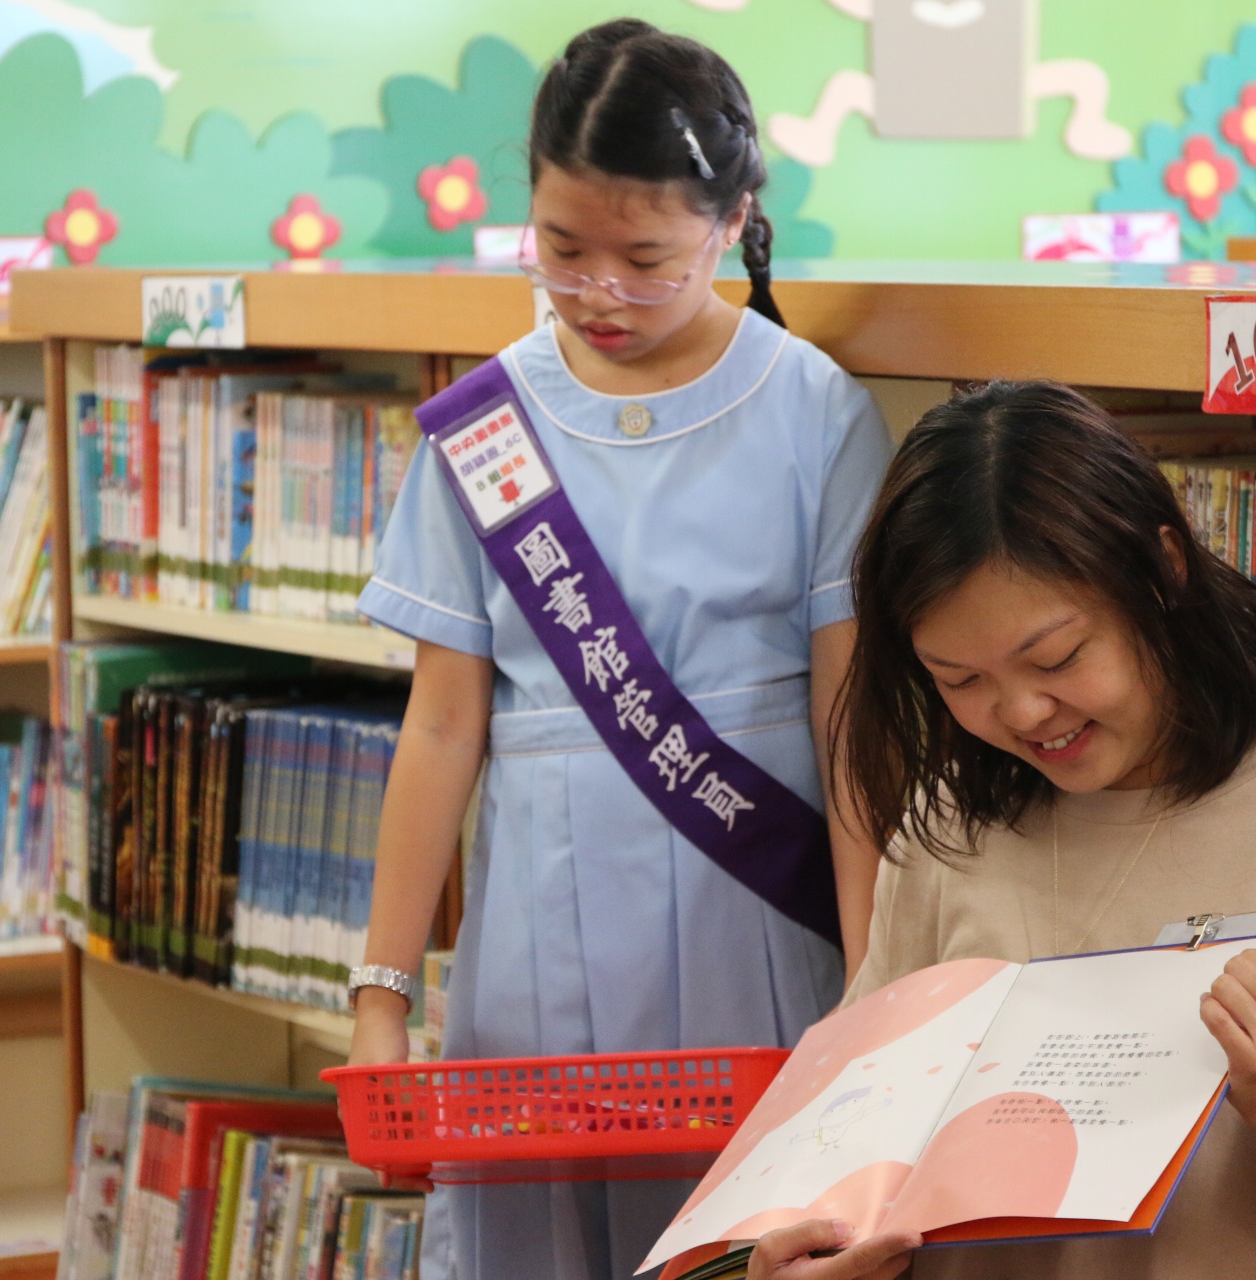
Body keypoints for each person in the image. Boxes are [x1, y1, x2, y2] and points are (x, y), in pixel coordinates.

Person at [347, 19, 892, 1280]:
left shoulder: (814, 410)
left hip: (758, 914)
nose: (599, 293)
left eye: (645, 259)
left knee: (748, 1233)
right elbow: (443, 723)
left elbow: (852, 725)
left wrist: (872, 983)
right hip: (536, 928)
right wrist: (381, 993)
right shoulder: (486, 426)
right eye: (562, 249)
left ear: (732, 221)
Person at [748, 381, 1256, 1280]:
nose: (1023, 713)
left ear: (1161, 570)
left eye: (1057, 657)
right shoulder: (952, 814)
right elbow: (848, 1157)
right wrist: (802, 1245)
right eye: (960, 680)